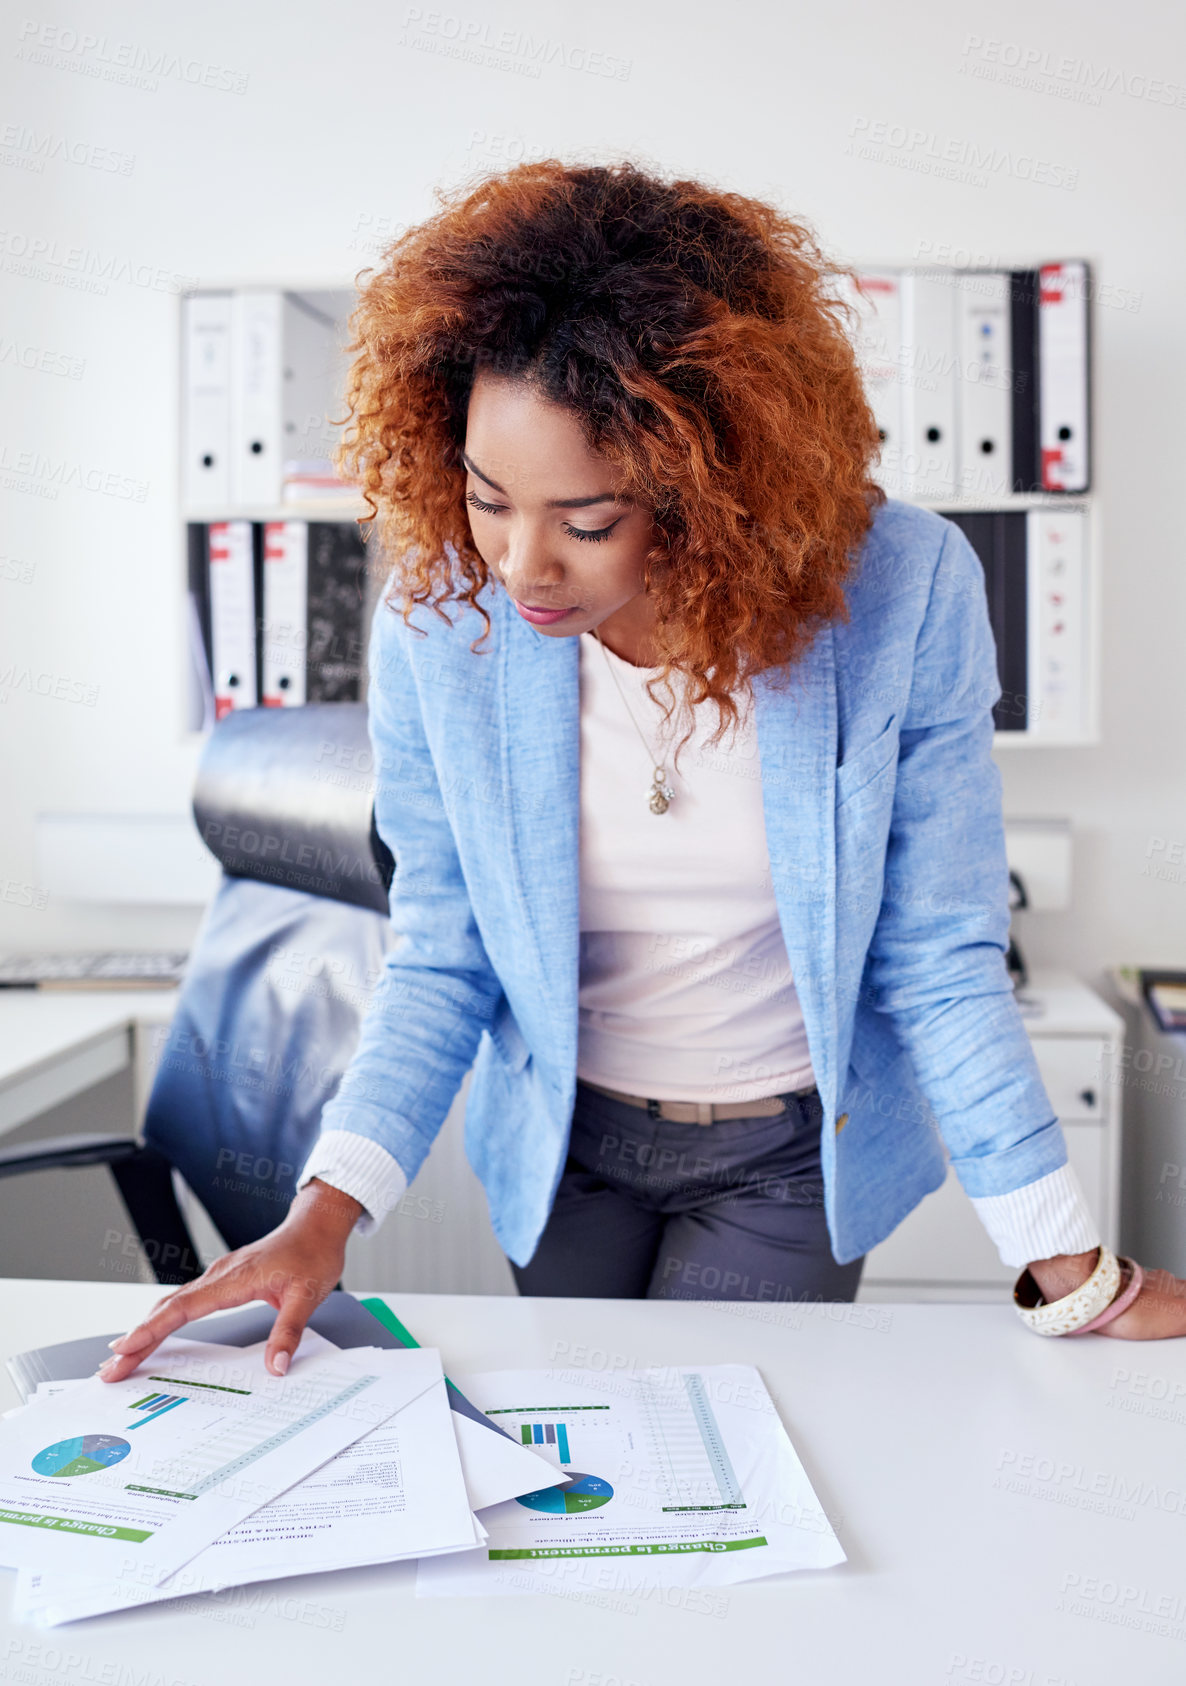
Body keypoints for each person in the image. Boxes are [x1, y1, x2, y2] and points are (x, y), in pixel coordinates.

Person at [102, 161, 1184, 1384]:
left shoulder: (901, 589)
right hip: (565, 1146)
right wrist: (324, 1212)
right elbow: (444, 946)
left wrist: (1070, 1269)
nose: (520, 565)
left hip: (787, 1152)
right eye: (487, 498)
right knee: (590, 1478)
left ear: (708, 480)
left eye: (586, 521)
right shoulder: (439, 619)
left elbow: (938, 956)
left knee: (739, 1469)